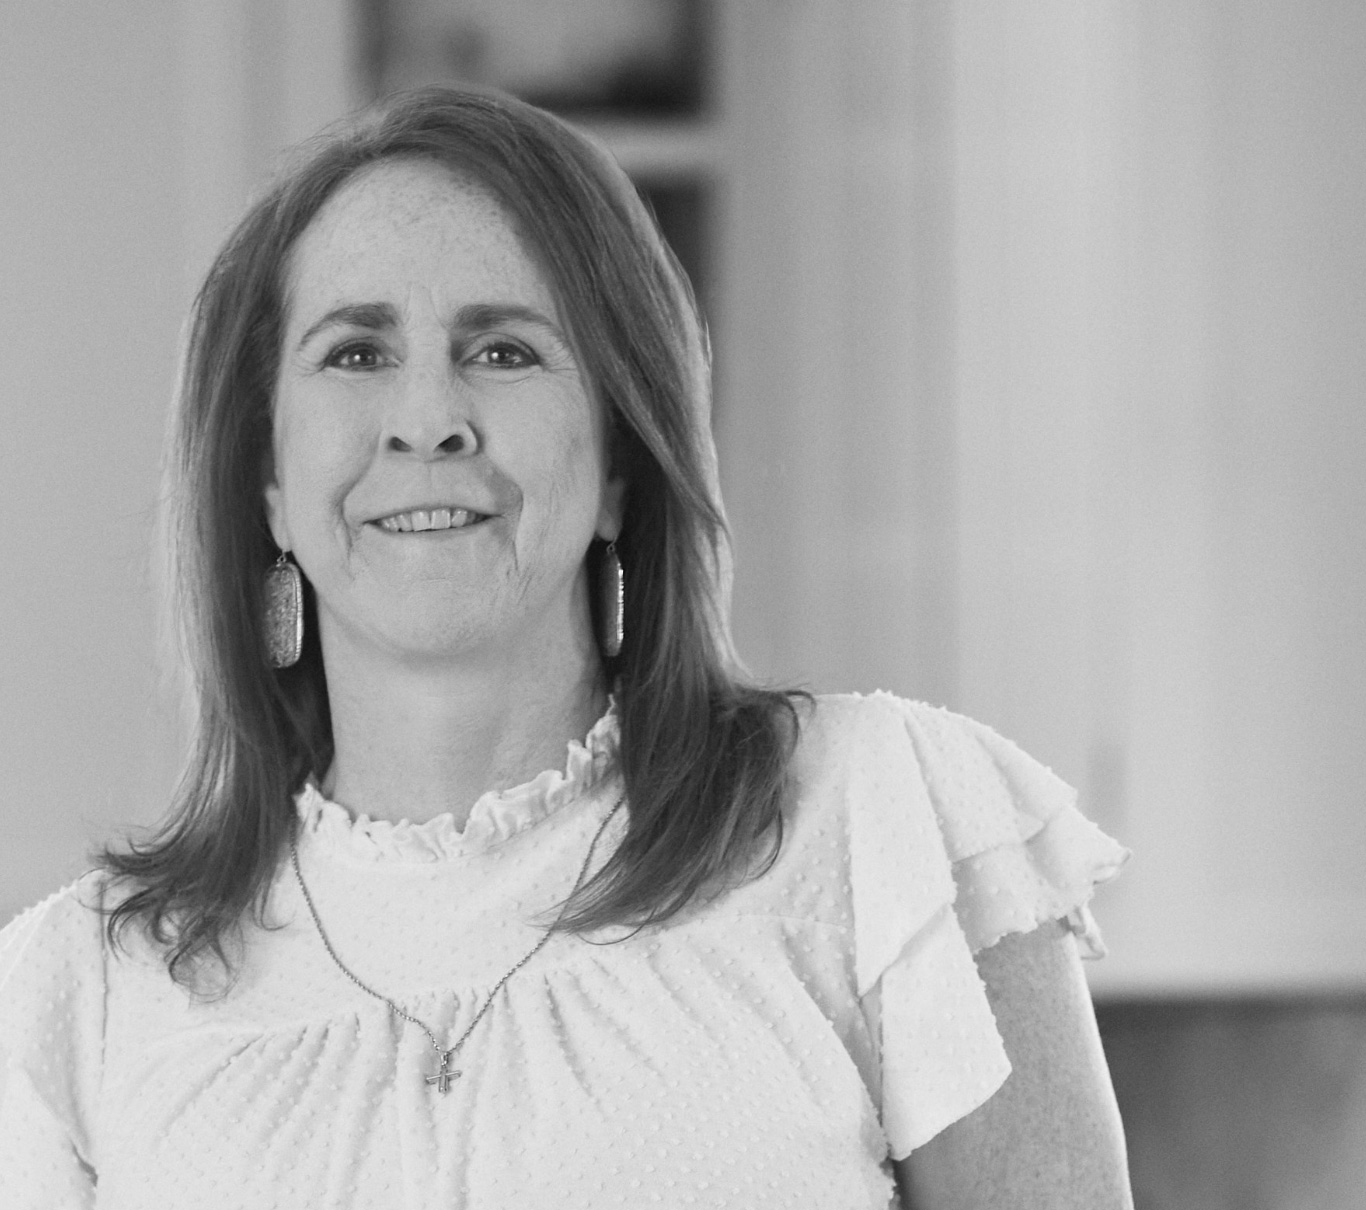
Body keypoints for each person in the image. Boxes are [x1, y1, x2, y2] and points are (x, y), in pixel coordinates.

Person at [0, 86, 1133, 1209]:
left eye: (501, 350)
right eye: (355, 354)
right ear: (270, 486)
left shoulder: (876, 824)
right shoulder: (77, 992)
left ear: (618, 464)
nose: (426, 417)